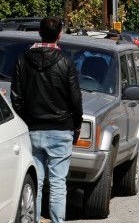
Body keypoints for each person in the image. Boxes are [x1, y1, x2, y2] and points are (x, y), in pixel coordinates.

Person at [11, 16, 83, 223]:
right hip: (61, 129)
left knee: (36, 182)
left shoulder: (23, 60)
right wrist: (76, 126)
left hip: (32, 129)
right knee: (58, 183)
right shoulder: (65, 61)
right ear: (59, 34)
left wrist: (26, 120)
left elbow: (16, 98)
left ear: (39, 33)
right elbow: (75, 99)